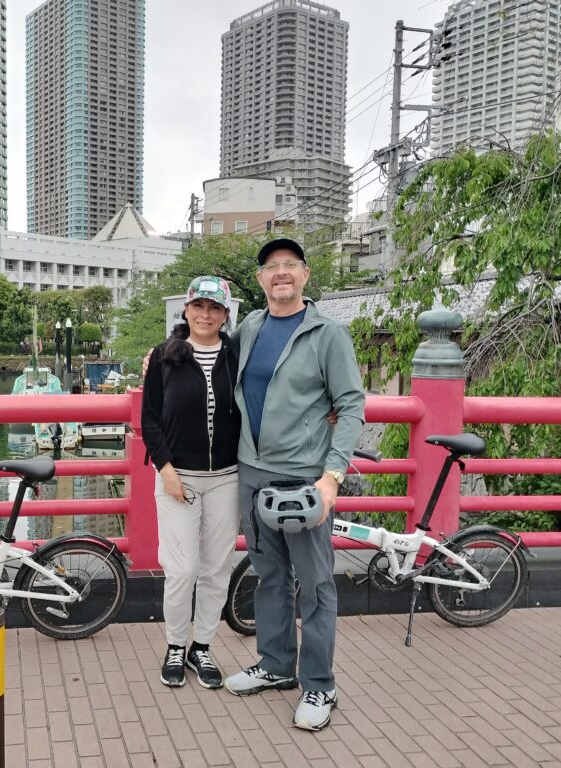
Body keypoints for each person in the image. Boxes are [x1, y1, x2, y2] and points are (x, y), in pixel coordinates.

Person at [222, 238, 365, 731]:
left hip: (305, 474)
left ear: (305, 275)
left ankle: (320, 685)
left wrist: (333, 477)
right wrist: (163, 360)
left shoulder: (328, 334)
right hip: (252, 469)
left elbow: (350, 406)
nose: (280, 274)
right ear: (261, 279)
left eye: (290, 266)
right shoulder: (250, 328)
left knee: (317, 583)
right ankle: (277, 664)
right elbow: (214, 368)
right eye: (271, 268)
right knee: (269, 575)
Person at [141, 275, 241, 689]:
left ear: (225, 315)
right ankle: (175, 645)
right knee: (182, 569)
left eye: (215, 308)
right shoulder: (165, 357)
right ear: (186, 310)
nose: (206, 314)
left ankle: (202, 646)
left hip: (227, 478)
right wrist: (166, 470)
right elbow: (148, 418)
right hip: (177, 475)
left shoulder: (237, 355)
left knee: (217, 568)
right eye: (199, 306)